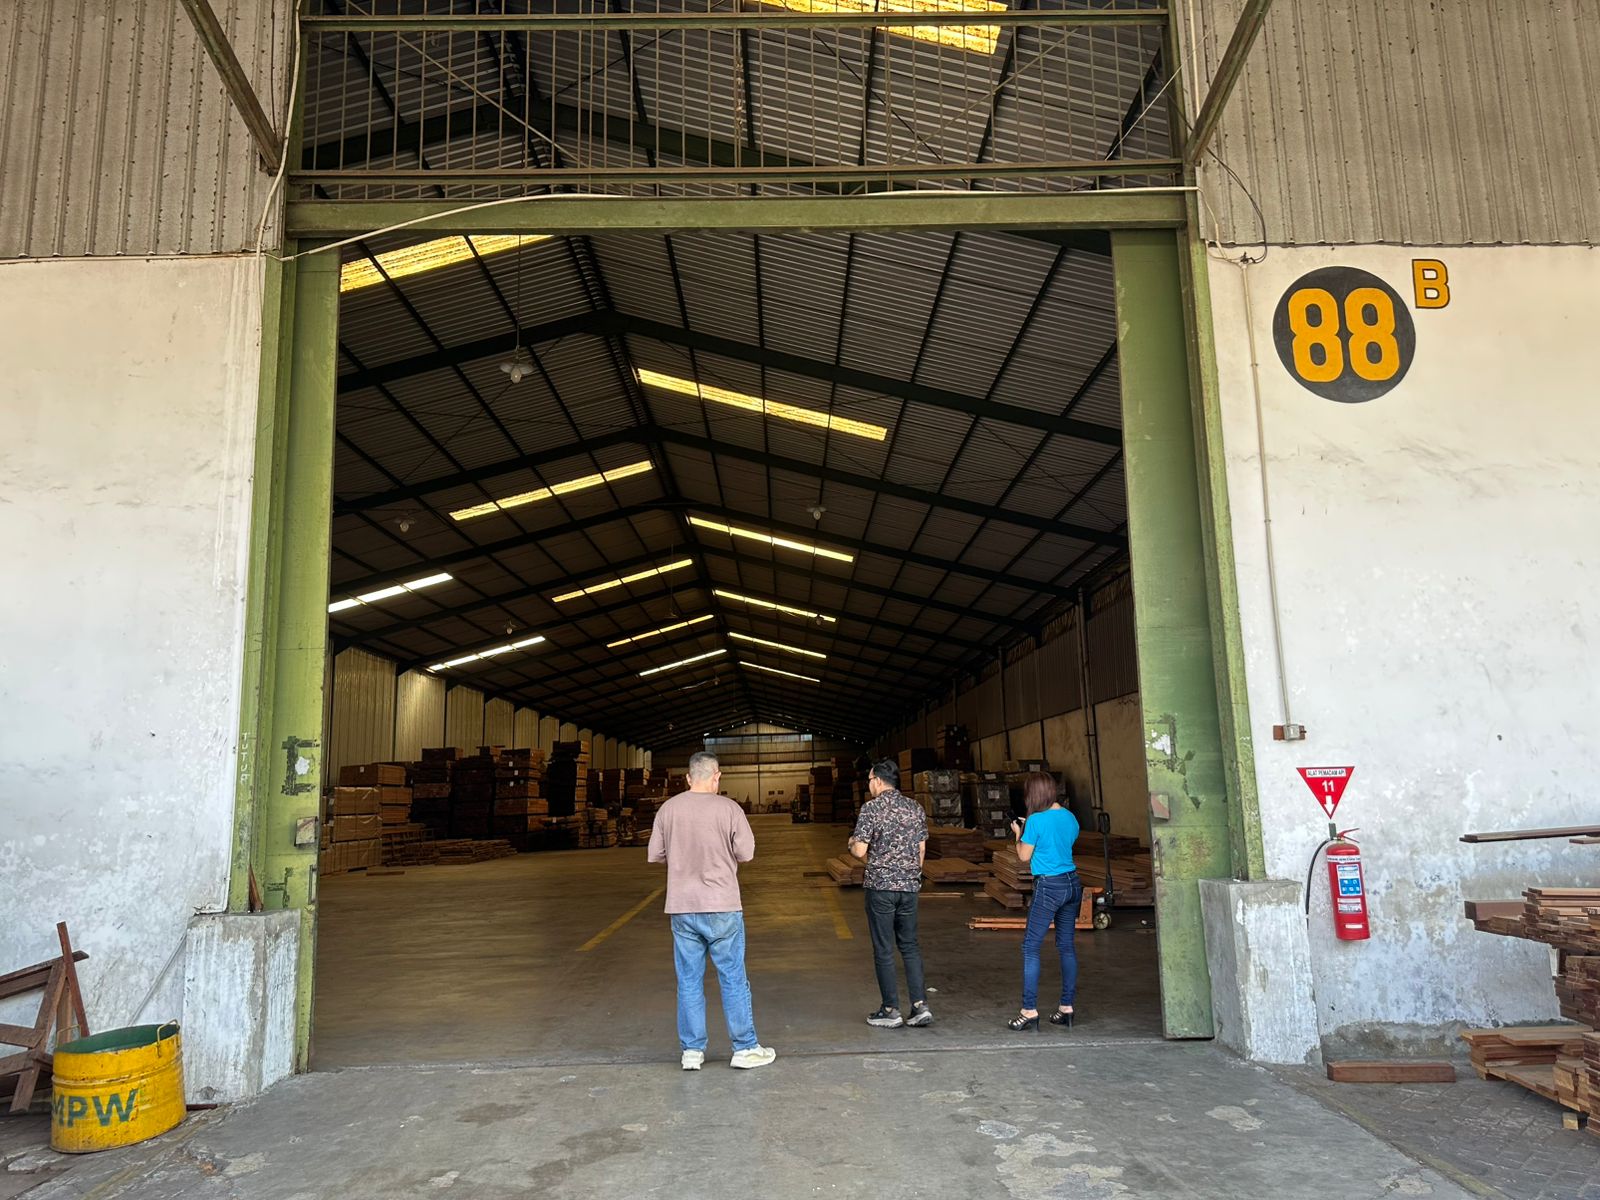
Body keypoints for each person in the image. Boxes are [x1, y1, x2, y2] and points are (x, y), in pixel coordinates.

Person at [646, 751, 777, 1071]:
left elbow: (655, 854)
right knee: (732, 977)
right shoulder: (730, 809)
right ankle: (745, 1048)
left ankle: (692, 1051)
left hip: (682, 907)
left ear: (689, 778)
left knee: (689, 980)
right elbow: (746, 854)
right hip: (722, 906)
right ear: (717, 776)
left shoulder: (668, 809)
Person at [848, 759, 933, 1028]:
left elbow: (860, 851)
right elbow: (921, 850)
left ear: (878, 780)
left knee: (884, 948)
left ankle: (890, 1009)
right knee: (909, 945)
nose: (868, 785)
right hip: (909, 888)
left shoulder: (871, 809)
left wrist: (851, 842)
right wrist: (910, 877)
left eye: (869, 780)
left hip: (881, 889)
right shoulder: (915, 808)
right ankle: (920, 1006)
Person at [1006, 772, 1083, 1031]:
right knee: (1066, 946)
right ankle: (1066, 1008)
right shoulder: (1070, 817)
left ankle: (1028, 1011)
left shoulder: (1036, 821)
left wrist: (1019, 833)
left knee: (1030, 947)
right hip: (1072, 883)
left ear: (1034, 794)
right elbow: (1062, 842)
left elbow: (1024, 857)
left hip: (1049, 886)